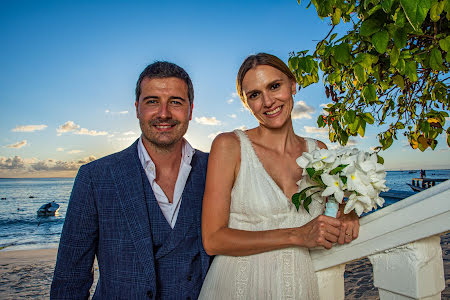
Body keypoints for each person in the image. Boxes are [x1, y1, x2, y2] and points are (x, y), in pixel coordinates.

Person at [199, 53, 359, 299]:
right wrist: (297, 235)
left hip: (298, 285)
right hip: (236, 286)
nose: (268, 101)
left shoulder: (319, 152)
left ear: (293, 85)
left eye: (275, 86)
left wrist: (347, 213)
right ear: (246, 103)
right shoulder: (229, 146)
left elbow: (331, 212)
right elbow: (213, 239)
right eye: (254, 94)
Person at [51, 61, 211, 299]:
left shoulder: (217, 169)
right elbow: (70, 278)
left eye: (176, 102)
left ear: (191, 109)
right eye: (152, 101)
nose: (164, 113)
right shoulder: (95, 177)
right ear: (137, 108)